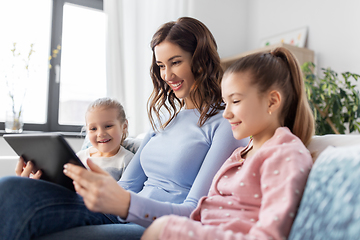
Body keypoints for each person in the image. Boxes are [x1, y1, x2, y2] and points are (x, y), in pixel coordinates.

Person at [0, 17, 247, 240]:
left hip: (155, 225)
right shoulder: (164, 121)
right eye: (161, 66)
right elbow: (126, 186)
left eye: (175, 62)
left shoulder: (225, 123)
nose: (167, 75)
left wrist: (126, 205)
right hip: (119, 211)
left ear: (201, 60)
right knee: (13, 187)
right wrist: (61, 183)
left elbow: (194, 210)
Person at [141, 47, 315, 240]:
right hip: (208, 228)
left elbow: (269, 235)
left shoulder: (285, 154)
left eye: (236, 101)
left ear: (272, 101)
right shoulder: (240, 154)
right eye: (225, 102)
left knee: (162, 228)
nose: (226, 113)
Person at [76, 97, 134, 181]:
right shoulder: (80, 157)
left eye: (108, 126)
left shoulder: (127, 160)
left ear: (124, 126)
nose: (100, 134)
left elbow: (127, 191)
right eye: (93, 129)